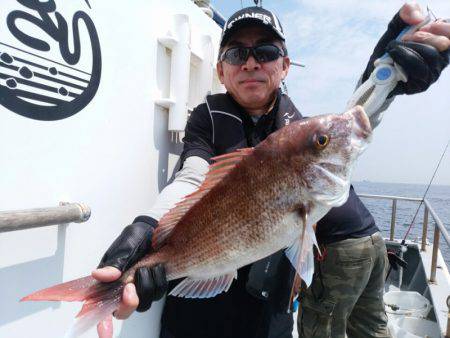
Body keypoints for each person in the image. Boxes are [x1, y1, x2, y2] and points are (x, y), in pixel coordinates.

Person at [92, 4, 449, 338]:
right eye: (235, 53)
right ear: (221, 70)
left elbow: (352, 126)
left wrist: (386, 83)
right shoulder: (206, 120)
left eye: (265, 52)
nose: (250, 63)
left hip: (267, 317)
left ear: (285, 66)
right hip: (194, 317)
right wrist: (147, 225)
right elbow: (191, 176)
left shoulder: (299, 132)